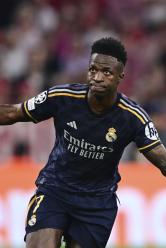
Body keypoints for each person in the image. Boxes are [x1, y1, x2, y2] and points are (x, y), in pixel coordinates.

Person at [0, 37, 166, 248]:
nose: (97, 77)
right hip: (54, 191)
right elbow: (15, 113)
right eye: (93, 69)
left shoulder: (133, 117)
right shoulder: (62, 97)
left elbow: (162, 160)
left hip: (97, 205)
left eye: (106, 72)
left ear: (120, 77)